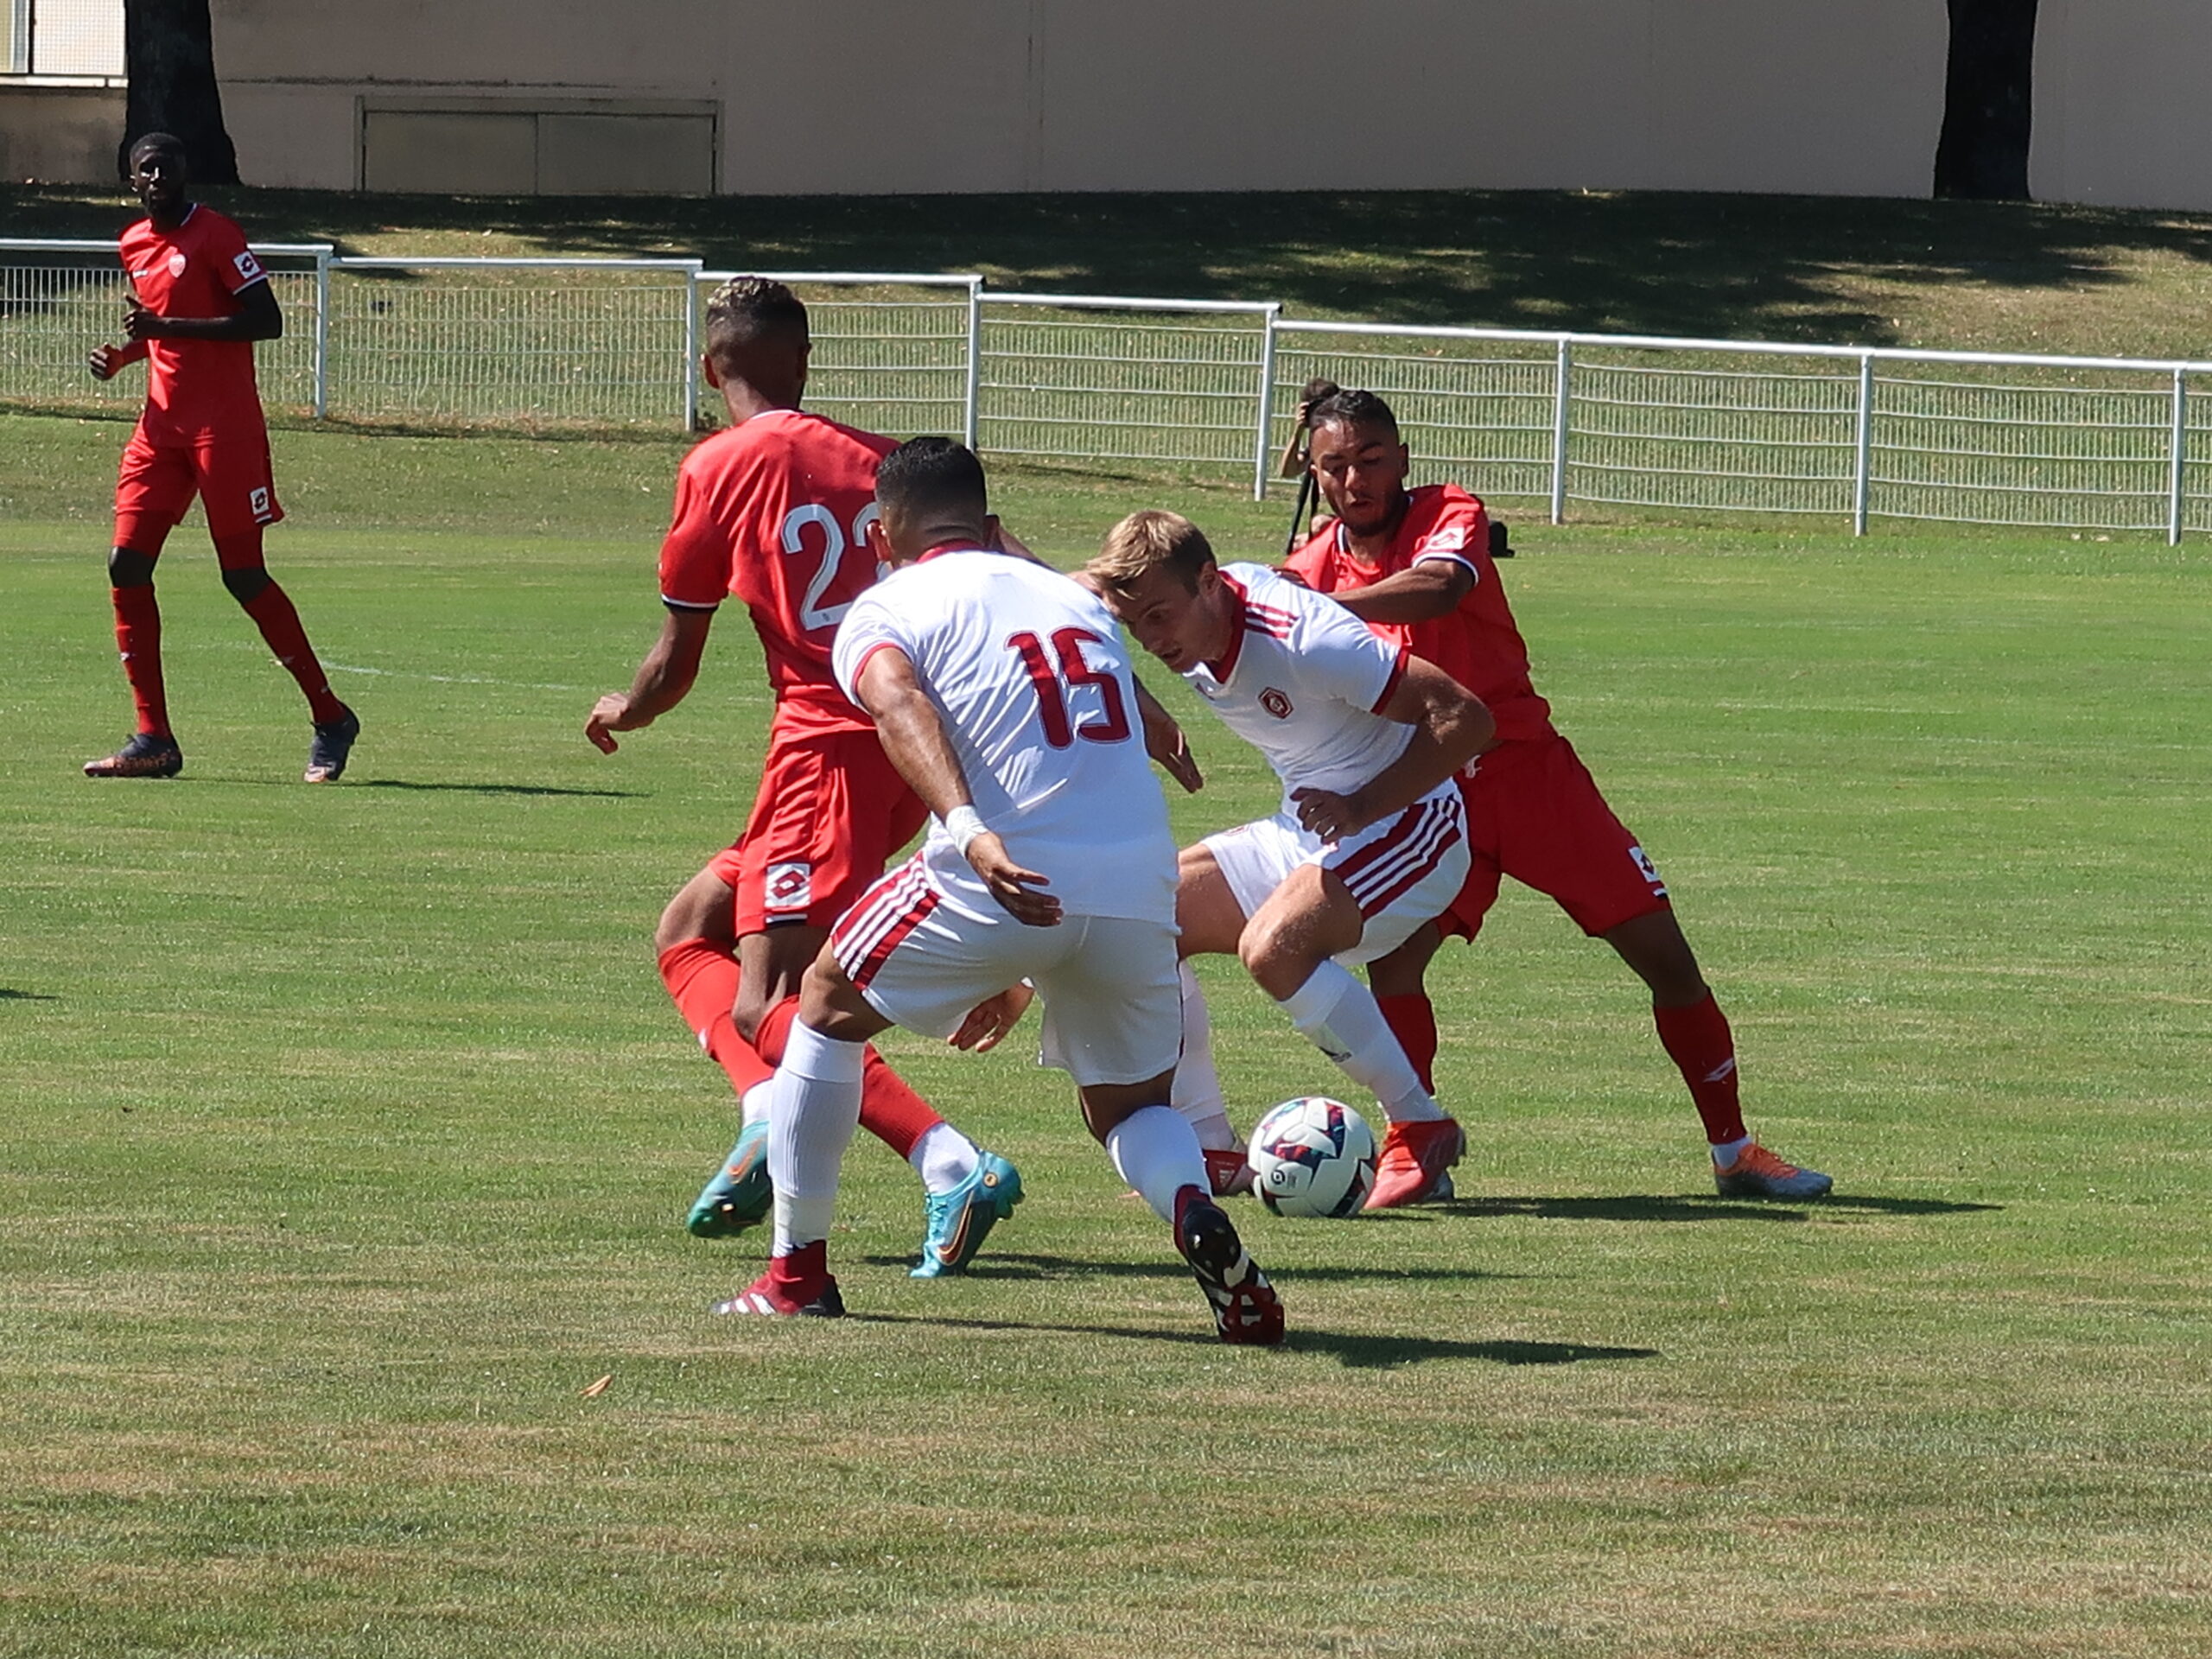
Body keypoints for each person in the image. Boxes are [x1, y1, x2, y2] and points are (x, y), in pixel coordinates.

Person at [719, 439, 1282, 1344]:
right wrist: (1156, 720)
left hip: (1002, 871)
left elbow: (902, 705)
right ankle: (1190, 1208)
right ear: (988, 525)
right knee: (1132, 1108)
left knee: (818, 1004)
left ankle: (796, 1277)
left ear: (880, 534)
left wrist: (968, 832)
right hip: (1142, 886)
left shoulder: (885, 603)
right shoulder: (1074, 598)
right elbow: (1092, 676)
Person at [1283, 388, 1833, 1200]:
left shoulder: (1445, 510)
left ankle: (1735, 1151)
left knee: (1668, 963)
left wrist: (1314, 606)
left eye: (1370, 460)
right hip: (1429, 793)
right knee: (1394, 964)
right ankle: (1412, 1147)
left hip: (1530, 773)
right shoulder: (1307, 564)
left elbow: (1438, 588)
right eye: (1335, 466)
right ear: (1319, 475)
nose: (1355, 479)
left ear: (1401, 458)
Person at [587, 277, 1025, 1278]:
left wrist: (627, 707)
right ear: (805, 362)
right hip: (906, 746)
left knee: (771, 999)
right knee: (688, 928)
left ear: (711, 371)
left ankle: (950, 1160)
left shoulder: (716, 466)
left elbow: (674, 660)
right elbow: (994, 558)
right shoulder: (880, 463)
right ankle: (764, 1112)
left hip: (821, 751)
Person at [1084, 510, 1496, 1211]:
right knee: (1140, 920)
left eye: (1162, 617)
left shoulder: (1305, 638)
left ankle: (1419, 1122)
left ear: (1210, 582)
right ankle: (1210, 1146)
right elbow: (1051, 591)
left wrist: (1362, 807)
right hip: (1311, 827)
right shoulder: (1170, 614)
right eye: (1137, 626)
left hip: (1412, 823)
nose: (1153, 641)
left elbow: (1464, 718)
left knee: (1272, 949)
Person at [83, 131, 359, 784]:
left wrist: (161, 331)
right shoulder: (133, 244)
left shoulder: (218, 236)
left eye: (167, 166)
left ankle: (330, 716)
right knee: (125, 565)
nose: (157, 176)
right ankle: (153, 737)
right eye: (145, 169)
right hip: (160, 431)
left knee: (243, 576)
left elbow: (265, 320)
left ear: (184, 173)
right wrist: (126, 355)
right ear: (132, 181)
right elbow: (160, 331)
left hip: (223, 431)